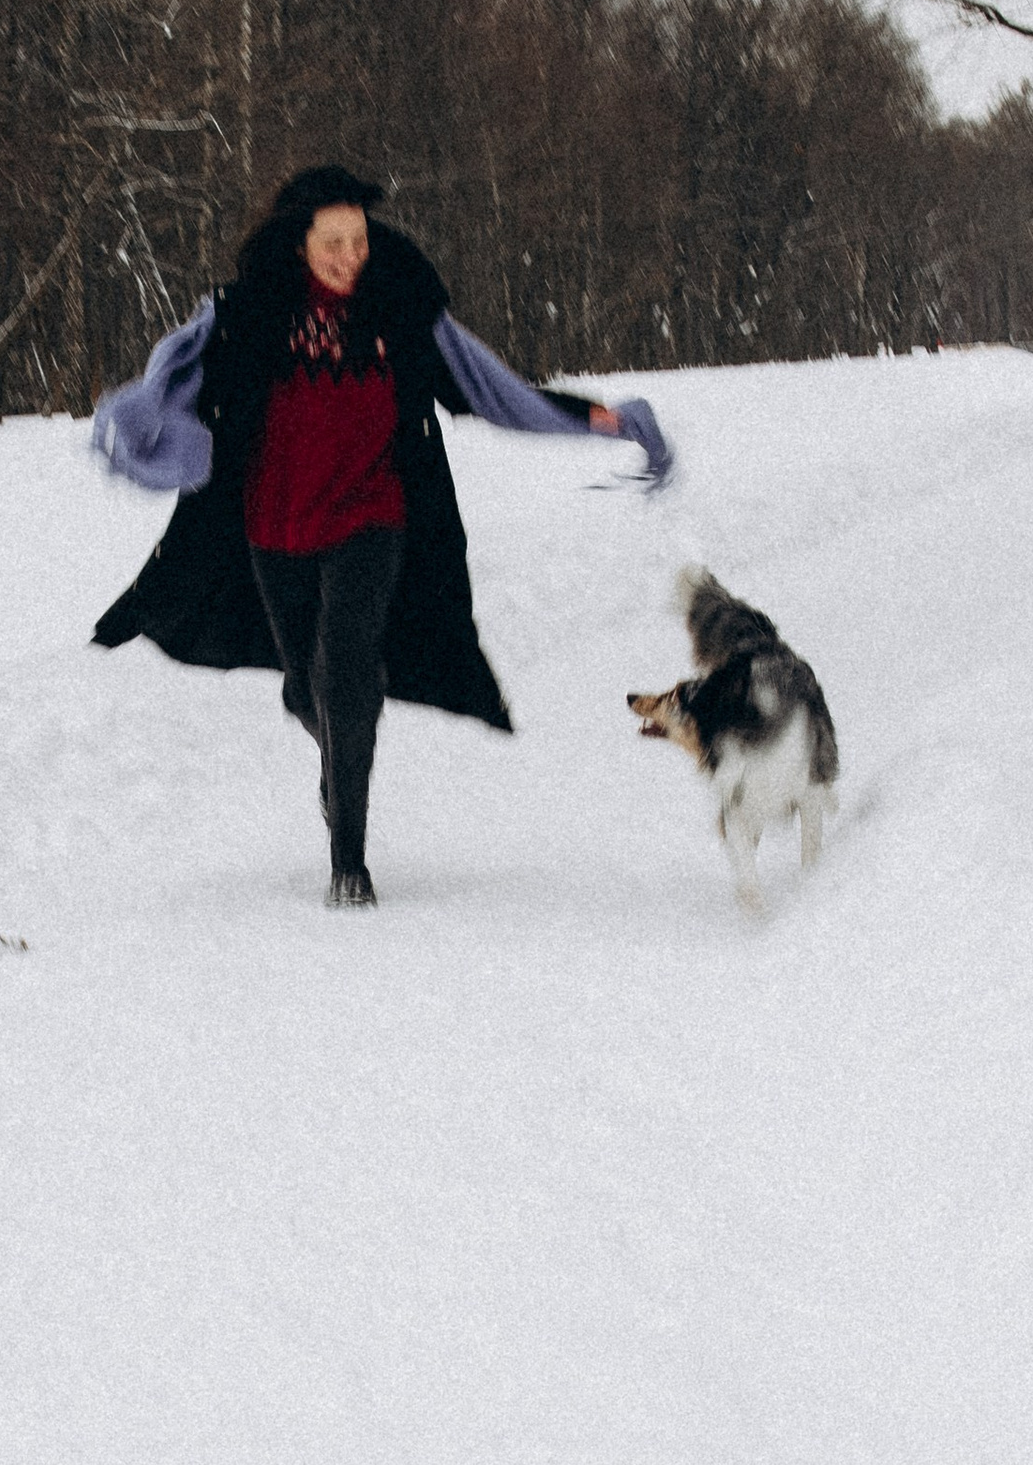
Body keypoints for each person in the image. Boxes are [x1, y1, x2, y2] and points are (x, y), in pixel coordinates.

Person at [91, 161, 670, 907]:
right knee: (306, 689)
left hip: (376, 515)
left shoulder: (402, 310)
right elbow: (177, 379)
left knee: (349, 670)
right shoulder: (248, 312)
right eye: (332, 241)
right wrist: (131, 420)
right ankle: (340, 769)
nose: (348, 256)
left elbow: (492, 389)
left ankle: (349, 863)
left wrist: (606, 419)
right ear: (299, 244)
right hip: (274, 524)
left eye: (358, 239)